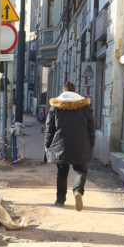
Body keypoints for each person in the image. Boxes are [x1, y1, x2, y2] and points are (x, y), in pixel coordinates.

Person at [45, 81, 96, 211]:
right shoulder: (85, 106)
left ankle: (60, 200)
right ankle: (78, 191)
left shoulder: (55, 106)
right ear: (75, 91)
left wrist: (47, 145)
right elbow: (91, 128)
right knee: (80, 170)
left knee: (62, 172)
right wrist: (91, 145)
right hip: (81, 144)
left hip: (60, 145)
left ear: (63, 91)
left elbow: (49, 128)